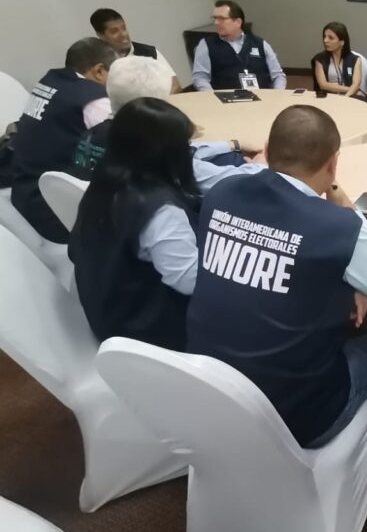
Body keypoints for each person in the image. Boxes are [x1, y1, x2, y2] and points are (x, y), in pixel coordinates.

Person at [187, 105, 367, 449]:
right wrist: (345, 206)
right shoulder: (334, 225)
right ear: (334, 163)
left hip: (209, 393)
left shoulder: (219, 196)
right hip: (299, 416)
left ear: (267, 152)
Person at [69, 98, 201, 351]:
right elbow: (188, 281)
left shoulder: (106, 180)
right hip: (145, 331)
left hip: (108, 308)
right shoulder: (160, 208)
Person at [71, 55, 265, 190]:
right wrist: (259, 165)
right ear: (154, 106)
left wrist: (232, 144)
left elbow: (189, 151)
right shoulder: (159, 153)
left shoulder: (90, 135)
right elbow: (228, 181)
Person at [11, 38, 115, 243]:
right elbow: (125, 141)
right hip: (58, 209)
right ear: (100, 71)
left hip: (25, 191)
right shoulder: (94, 100)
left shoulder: (50, 81)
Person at [192, 0, 286, 91]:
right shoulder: (206, 45)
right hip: (225, 102)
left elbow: (278, 75)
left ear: (238, 22)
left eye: (221, 19)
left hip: (262, 100)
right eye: (215, 18)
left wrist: (276, 96)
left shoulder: (260, 43)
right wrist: (213, 98)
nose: (216, 22)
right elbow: (200, 78)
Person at [89, 8, 178, 88]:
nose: (124, 34)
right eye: (114, 31)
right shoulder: (98, 65)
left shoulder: (148, 52)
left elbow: (175, 84)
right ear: (101, 35)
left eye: (124, 28)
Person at [311, 22, 367, 102]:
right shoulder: (320, 59)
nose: (325, 40)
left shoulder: (355, 59)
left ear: (342, 42)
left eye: (331, 38)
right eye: (325, 37)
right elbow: (323, 85)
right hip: (328, 96)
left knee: (362, 100)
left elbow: (356, 84)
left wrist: (346, 97)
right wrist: (350, 89)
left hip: (349, 95)